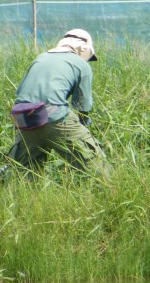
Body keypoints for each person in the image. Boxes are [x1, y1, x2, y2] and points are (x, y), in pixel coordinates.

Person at [6, 28, 109, 180]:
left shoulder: (40, 58)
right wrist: (82, 128)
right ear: (84, 48)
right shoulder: (81, 64)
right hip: (54, 116)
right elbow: (83, 107)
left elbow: (23, 94)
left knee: (24, 176)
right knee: (99, 170)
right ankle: (112, 192)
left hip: (24, 117)